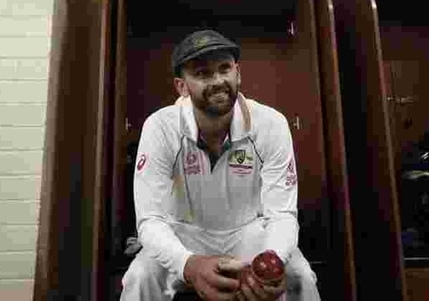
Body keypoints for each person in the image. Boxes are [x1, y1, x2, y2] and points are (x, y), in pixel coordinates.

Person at [120, 29, 321, 301]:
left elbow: (282, 214)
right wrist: (189, 264)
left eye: (224, 68)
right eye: (202, 73)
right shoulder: (160, 127)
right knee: (139, 278)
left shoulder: (271, 124)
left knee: (300, 278)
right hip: (184, 235)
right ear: (182, 86)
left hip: (250, 233)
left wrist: (272, 258)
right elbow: (150, 220)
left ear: (237, 72)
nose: (218, 81)